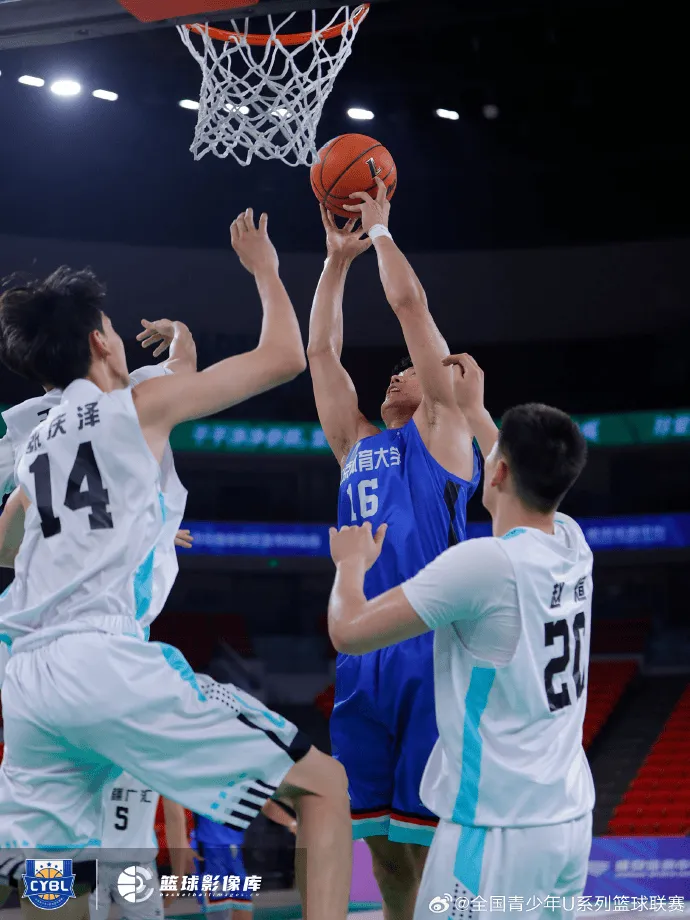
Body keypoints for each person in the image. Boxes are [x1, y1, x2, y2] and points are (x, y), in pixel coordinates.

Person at [0, 209, 351, 920]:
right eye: (111, 325)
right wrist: (264, 268)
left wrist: (137, 527)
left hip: (29, 678)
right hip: (105, 660)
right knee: (325, 788)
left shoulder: (35, 443)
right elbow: (282, 356)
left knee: (54, 878)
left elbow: (6, 547)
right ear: (100, 339)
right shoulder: (137, 405)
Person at [327, 355, 593, 920]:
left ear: (495, 473)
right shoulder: (572, 544)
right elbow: (521, 474)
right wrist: (474, 409)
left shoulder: (482, 565)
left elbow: (347, 631)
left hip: (495, 826)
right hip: (568, 814)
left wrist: (350, 565)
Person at [307, 180, 480, 918]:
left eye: (409, 369)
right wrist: (333, 264)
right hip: (360, 654)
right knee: (379, 842)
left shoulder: (444, 432)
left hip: (428, 648)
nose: (396, 372)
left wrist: (379, 232)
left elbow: (412, 308)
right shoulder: (356, 445)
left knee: (429, 837)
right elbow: (321, 352)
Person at [185, 799, 297, 919]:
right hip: (208, 851)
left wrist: (293, 824)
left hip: (234, 852)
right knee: (220, 911)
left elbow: (265, 804)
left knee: (243, 909)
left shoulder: (243, 787)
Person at [89, 771, 178, 920]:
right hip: (94, 862)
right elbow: (175, 817)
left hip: (127, 862)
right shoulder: (157, 765)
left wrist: (177, 877)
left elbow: (174, 817)